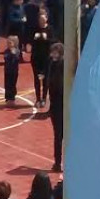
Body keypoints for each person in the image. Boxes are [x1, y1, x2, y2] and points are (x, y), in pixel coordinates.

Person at [46, 43, 65, 171]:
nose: (52, 55)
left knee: (61, 136)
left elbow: (58, 85)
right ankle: (57, 162)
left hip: (62, 105)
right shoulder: (52, 64)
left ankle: (60, 162)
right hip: (56, 106)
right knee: (58, 136)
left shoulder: (62, 65)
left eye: (54, 52)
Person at [2, 38, 21, 106]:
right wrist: (10, 53)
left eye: (10, 43)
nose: (8, 44)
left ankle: (12, 98)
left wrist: (13, 54)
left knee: (12, 84)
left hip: (14, 71)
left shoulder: (17, 51)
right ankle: (7, 98)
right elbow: (6, 58)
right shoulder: (6, 51)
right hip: (7, 70)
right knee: (7, 84)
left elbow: (17, 59)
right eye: (8, 43)